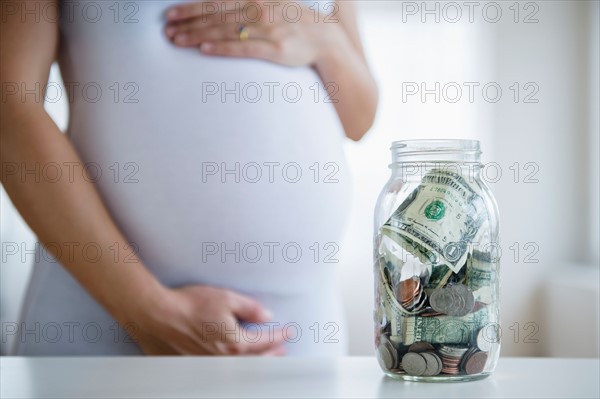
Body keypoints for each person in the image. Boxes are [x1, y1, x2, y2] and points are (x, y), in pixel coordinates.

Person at [1, 0, 377, 356]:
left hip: (297, 327)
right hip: (108, 311)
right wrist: (146, 310)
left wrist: (328, 41)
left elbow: (359, 117)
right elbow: (10, 106)